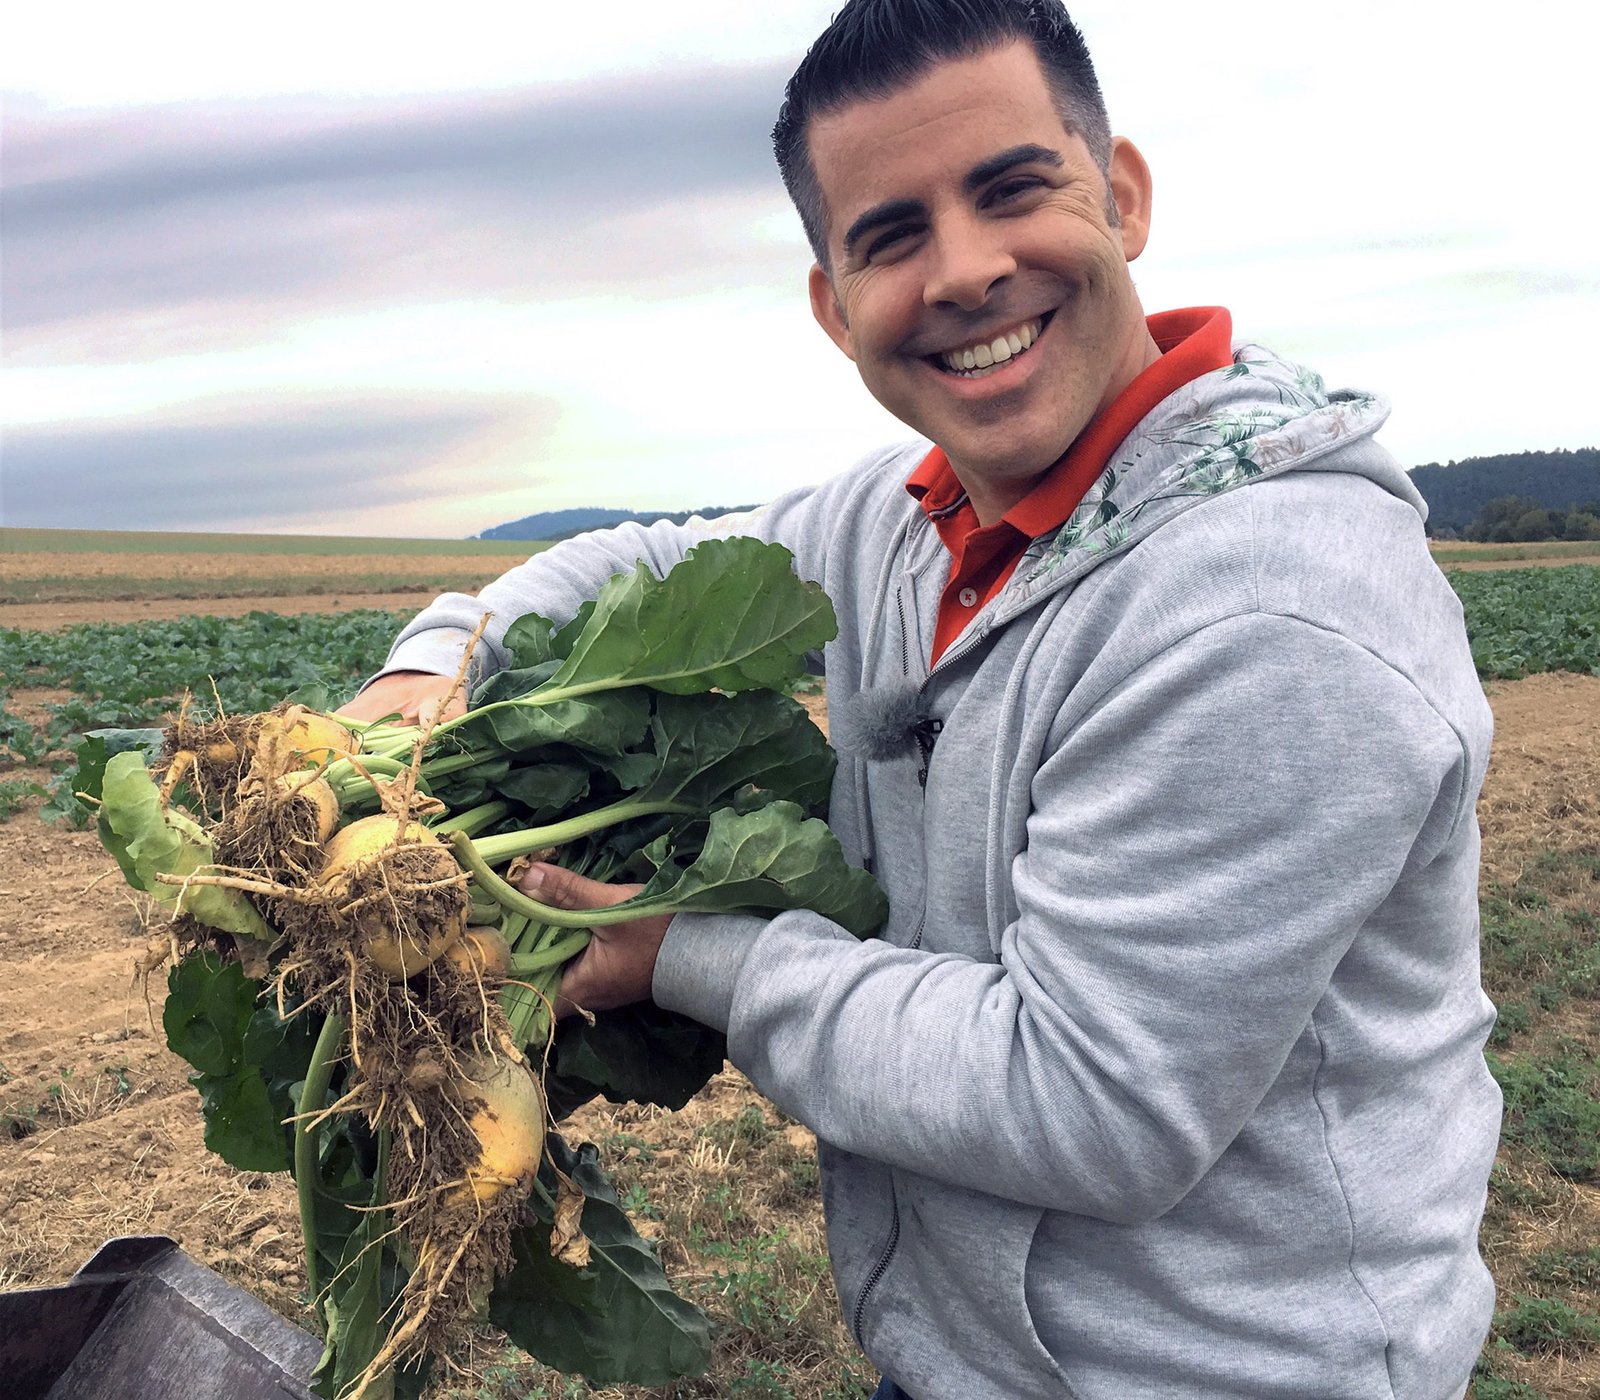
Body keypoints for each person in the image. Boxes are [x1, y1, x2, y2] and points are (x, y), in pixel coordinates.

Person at [338, 2, 1500, 1396]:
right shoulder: (906, 521)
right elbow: (640, 562)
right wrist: (431, 669)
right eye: (892, 237)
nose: (965, 271)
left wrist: (684, 954)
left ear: (1122, 198)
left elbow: (1092, 1103)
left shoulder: (1268, 613)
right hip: (966, 1358)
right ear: (835, 307)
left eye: (1013, 191)